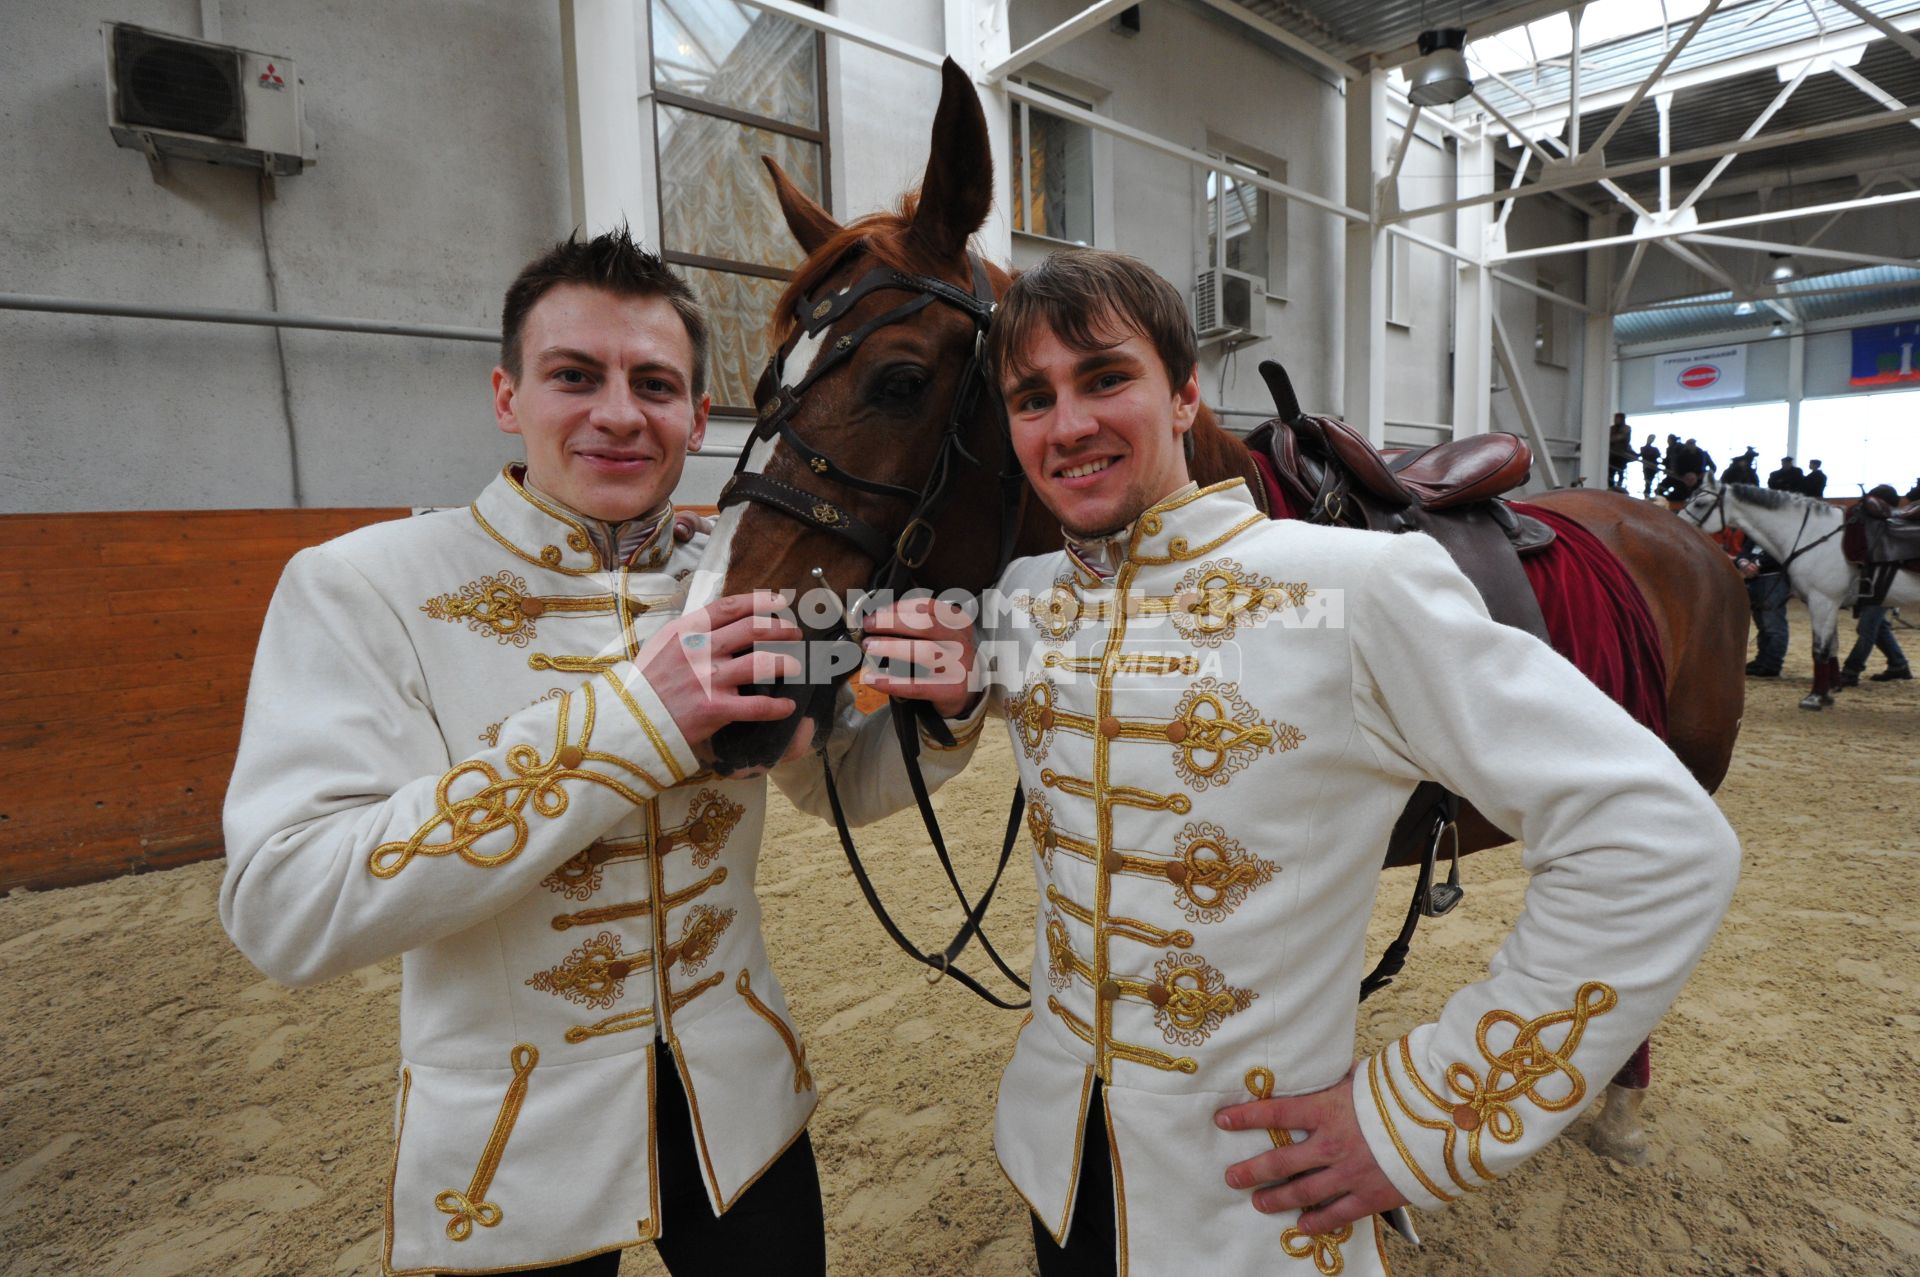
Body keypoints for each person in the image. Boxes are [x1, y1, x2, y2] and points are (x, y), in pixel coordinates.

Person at [881, 249, 1740, 1277]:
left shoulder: (1363, 585)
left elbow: (1660, 835)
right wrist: (958, 687)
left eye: (1106, 378)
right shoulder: (1024, 595)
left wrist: (1416, 1118)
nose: (1067, 424)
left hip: (1258, 1208)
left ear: (1186, 392)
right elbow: (1001, 671)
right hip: (1055, 1163)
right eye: (1033, 397)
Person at [220, 229, 969, 1277]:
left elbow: (833, 781)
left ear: (700, 419)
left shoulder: (741, 568)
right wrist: (634, 718)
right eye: (576, 375)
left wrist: (940, 713)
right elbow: (286, 905)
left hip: (740, 1110)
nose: (619, 412)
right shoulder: (363, 585)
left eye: (655, 384)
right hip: (511, 1140)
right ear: (506, 395)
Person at [1839, 485, 1912, 686]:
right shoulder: (1873, 521)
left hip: (1882, 579)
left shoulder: (1865, 518)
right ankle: (1899, 664)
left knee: (1867, 628)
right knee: (1879, 626)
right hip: (1881, 578)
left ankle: (1851, 670)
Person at [1732, 536, 1790, 677]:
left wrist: (1757, 563)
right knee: (1763, 624)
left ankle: (1772, 664)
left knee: (1773, 624)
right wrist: (1743, 561)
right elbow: (1745, 550)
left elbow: (1783, 553)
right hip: (1755, 579)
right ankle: (1762, 660)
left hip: (1773, 578)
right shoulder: (1756, 532)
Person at [1607, 414, 1633, 492]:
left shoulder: (1626, 428)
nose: (1616, 420)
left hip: (1621, 455)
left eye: (1618, 418)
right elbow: (1610, 439)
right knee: (1611, 474)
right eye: (1616, 418)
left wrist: (1616, 438)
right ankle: (1611, 489)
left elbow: (1622, 438)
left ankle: (1619, 490)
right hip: (1612, 455)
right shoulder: (1612, 428)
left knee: (1620, 474)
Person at [1639, 434, 1662, 498]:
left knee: (1648, 481)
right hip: (1648, 467)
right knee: (1648, 481)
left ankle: (1647, 494)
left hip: (1651, 467)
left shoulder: (1647, 449)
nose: (1651, 440)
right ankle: (1647, 494)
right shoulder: (1645, 448)